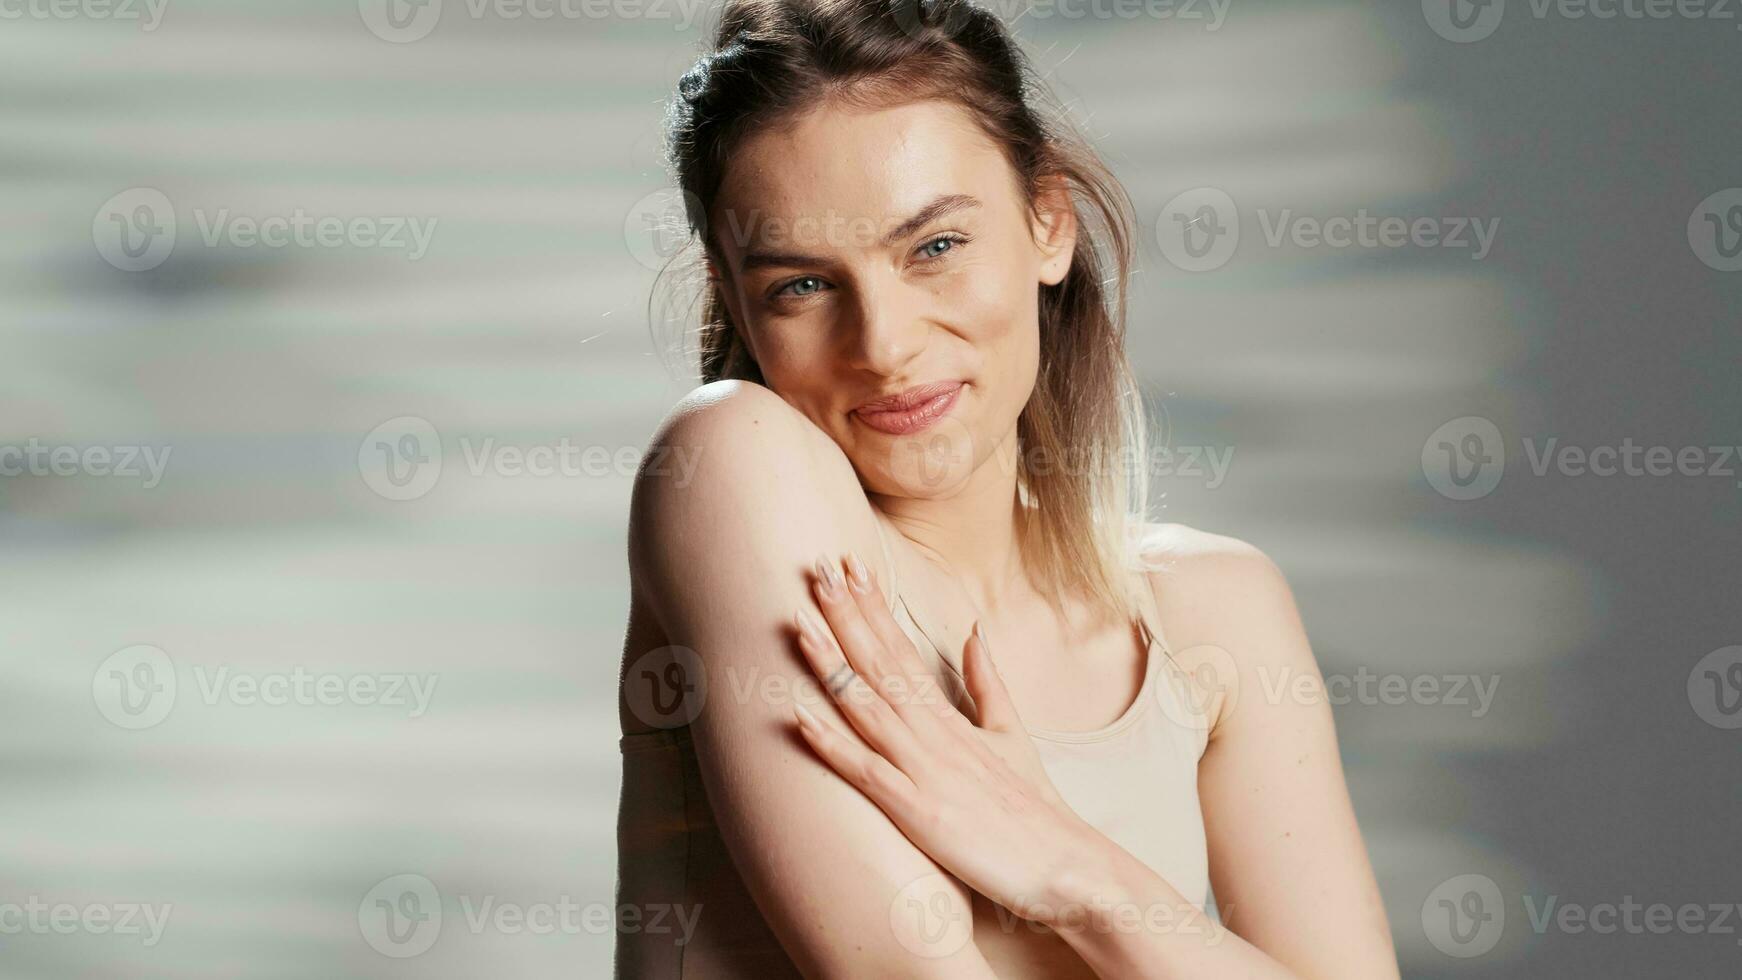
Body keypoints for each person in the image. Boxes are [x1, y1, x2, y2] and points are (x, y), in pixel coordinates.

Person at [616, 0, 1400, 975]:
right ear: (734, 300)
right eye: (802, 286)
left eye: (934, 247)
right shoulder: (729, 468)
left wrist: (1070, 869)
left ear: (1047, 222)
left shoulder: (1215, 613)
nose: (885, 343)